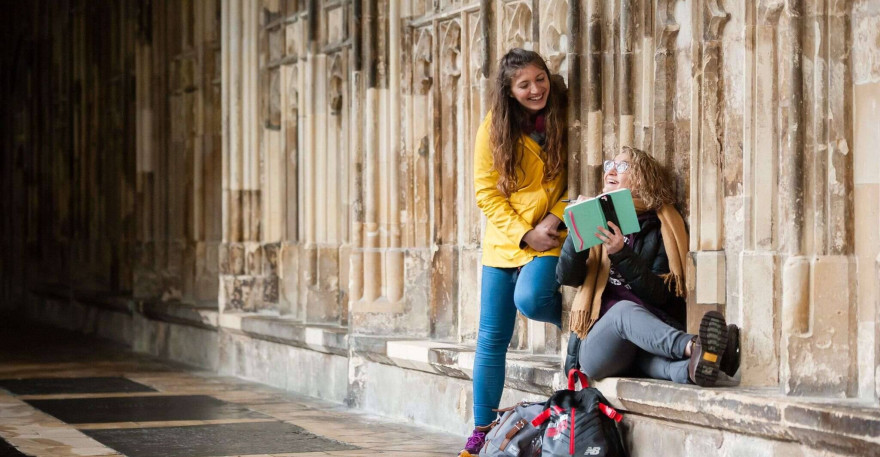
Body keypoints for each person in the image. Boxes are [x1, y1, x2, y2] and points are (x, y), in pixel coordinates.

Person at [459, 48, 568, 457]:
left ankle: (589, 326)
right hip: (507, 242)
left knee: (533, 297)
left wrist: (553, 221)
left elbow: (578, 175)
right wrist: (524, 233)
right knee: (491, 338)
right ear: (509, 90)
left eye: (540, 79)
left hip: (550, 236)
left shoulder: (563, 115)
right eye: (524, 84)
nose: (536, 89)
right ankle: (481, 430)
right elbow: (486, 194)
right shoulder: (493, 128)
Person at [557, 146, 740, 388]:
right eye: (609, 164)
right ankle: (695, 345)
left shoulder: (659, 229)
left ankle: (707, 364)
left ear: (642, 179)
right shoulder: (595, 226)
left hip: (646, 339)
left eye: (622, 166)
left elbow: (661, 296)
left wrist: (622, 253)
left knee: (669, 368)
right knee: (623, 311)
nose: (610, 170)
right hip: (600, 347)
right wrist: (579, 226)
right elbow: (566, 276)